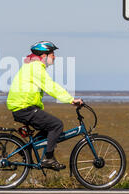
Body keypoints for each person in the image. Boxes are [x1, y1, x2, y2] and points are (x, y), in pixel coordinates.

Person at [6, 41, 83, 171]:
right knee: (56, 125)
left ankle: (26, 150)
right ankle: (48, 158)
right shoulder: (35, 67)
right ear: (43, 55)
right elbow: (50, 86)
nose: (54, 57)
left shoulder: (32, 66)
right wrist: (70, 100)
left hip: (23, 107)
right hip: (24, 108)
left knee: (48, 128)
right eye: (52, 54)